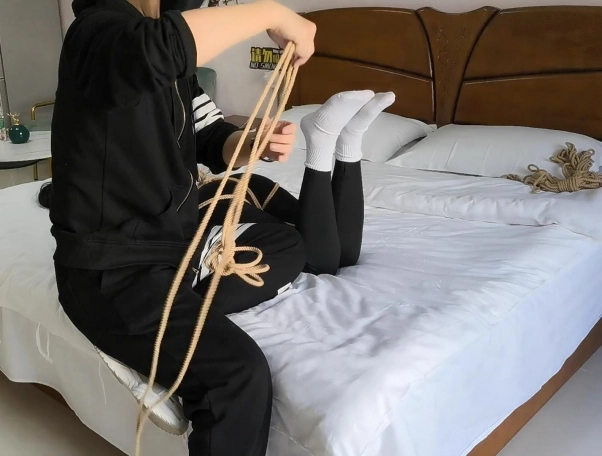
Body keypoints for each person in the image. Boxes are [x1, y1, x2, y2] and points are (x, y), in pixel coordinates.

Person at [43, 0, 385, 453]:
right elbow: (159, 49)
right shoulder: (98, 33)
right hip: (114, 272)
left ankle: (179, 321)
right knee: (238, 375)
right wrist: (272, 12)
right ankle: (157, 348)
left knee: (287, 244)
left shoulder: (165, 60)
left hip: (177, 249)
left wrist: (250, 143)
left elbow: (208, 138)